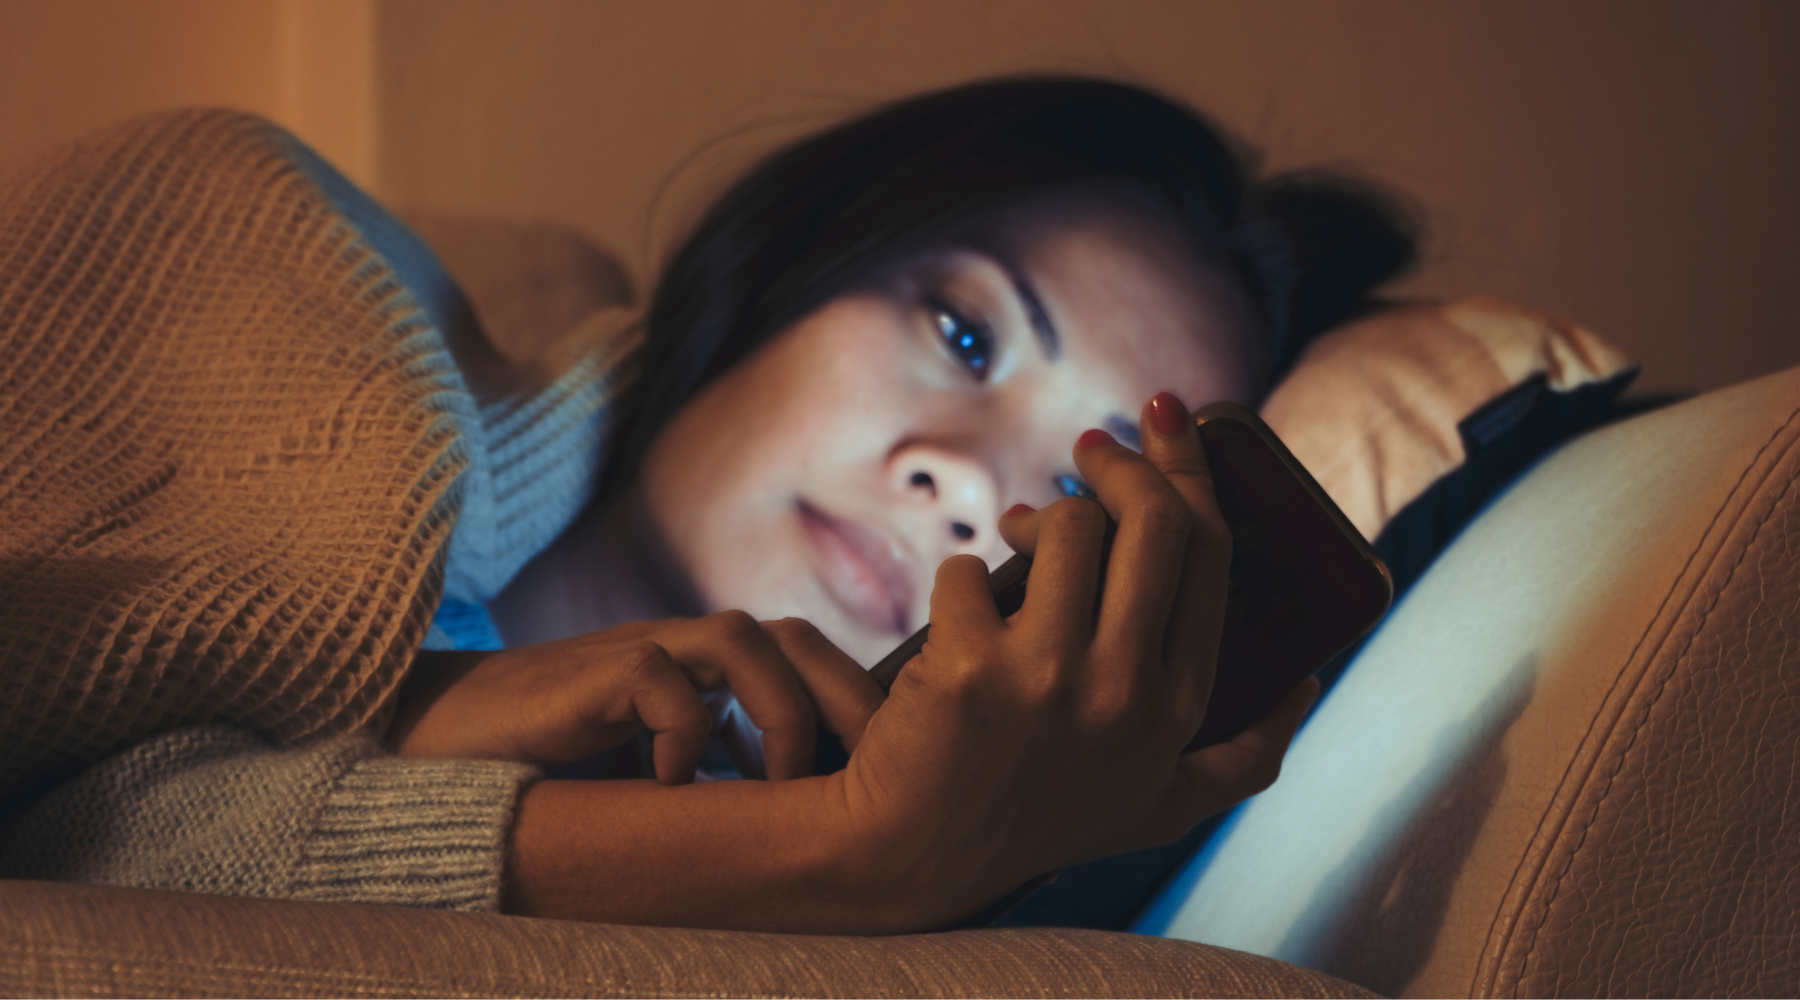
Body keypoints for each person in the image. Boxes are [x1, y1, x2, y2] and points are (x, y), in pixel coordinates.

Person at [0, 76, 1414, 932]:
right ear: (808, 249)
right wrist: (401, 698)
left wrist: (857, 848)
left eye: (1069, 490)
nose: (967, 484)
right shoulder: (274, 260)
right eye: (968, 334)